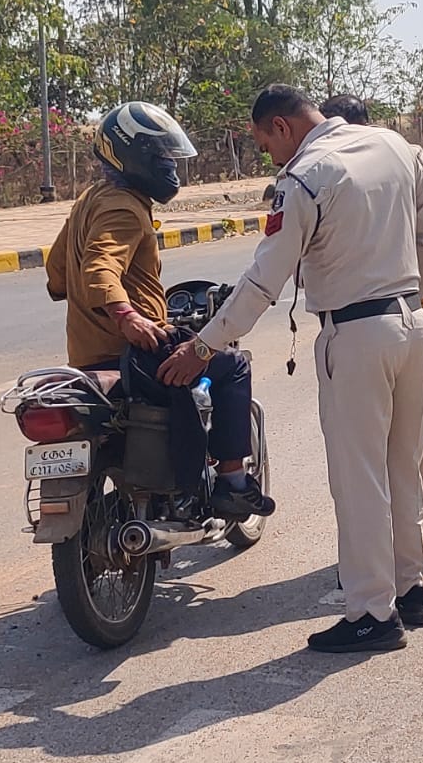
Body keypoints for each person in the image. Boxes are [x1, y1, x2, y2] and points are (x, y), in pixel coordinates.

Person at [156, 85, 423, 653]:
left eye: (266, 144)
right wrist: (418, 292)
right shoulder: (396, 148)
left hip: (357, 336)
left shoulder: (304, 177)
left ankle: (372, 613)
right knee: (401, 467)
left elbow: (263, 283)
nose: (270, 156)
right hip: (415, 327)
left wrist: (204, 347)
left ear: (282, 127)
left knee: (359, 480)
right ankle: (411, 590)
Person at [45, 100, 273, 521]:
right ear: (134, 156)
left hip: (87, 357)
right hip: (133, 352)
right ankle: (232, 482)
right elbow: (100, 268)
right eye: (161, 156)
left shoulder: (91, 199)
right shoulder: (124, 208)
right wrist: (127, 316)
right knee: (233, 365)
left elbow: (57, 275)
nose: (169, 166)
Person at [317, 93, 423, 575]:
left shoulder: (409, 161)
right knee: (368, 451)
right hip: (351, 332)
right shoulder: (321, 171)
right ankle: (381, 554)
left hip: (417, 317)